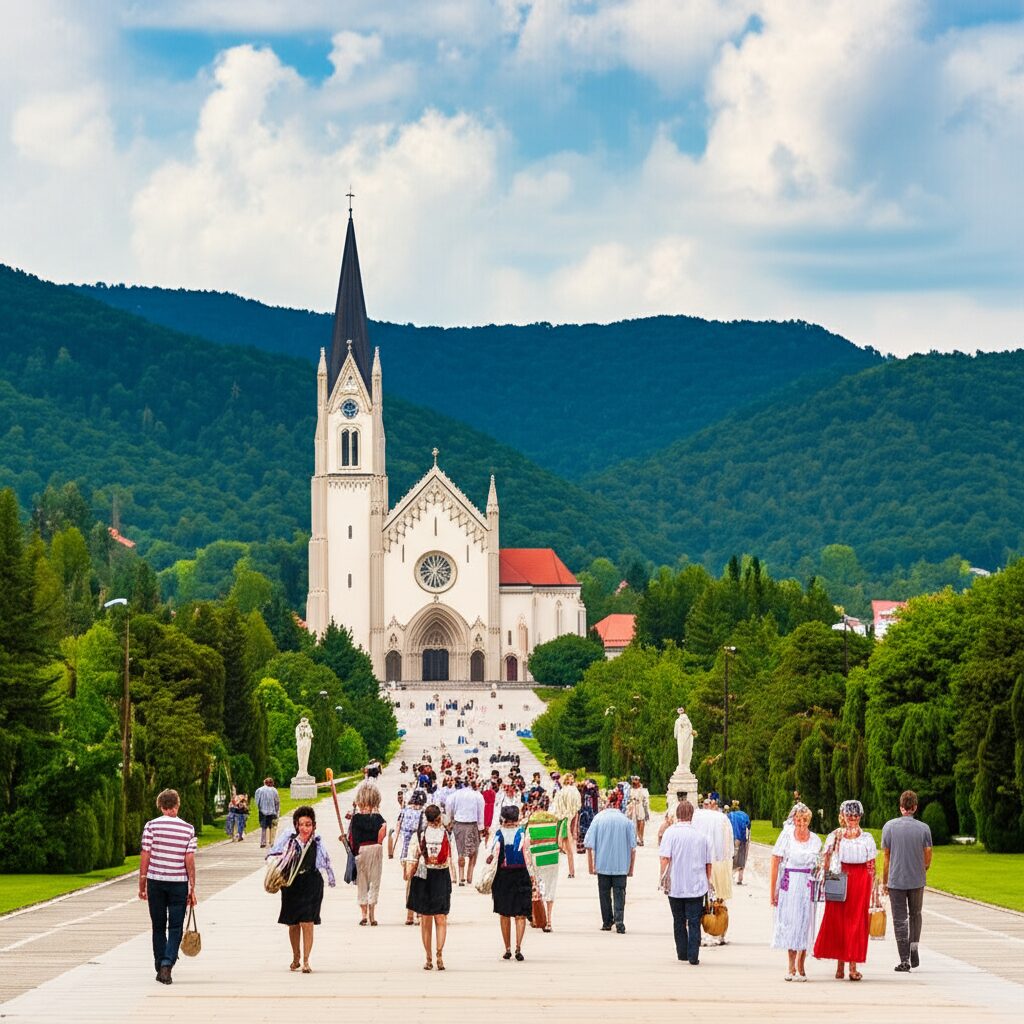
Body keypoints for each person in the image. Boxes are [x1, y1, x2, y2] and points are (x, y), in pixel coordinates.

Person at [813, 798, 877, 981]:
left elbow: (871, 864)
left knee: (856, 923)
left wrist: (873, 889)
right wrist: (824, 878)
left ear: (860, 816)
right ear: (843, 816)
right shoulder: (835, 835)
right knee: (838, 921)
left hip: (861, 881)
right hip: (839, 878)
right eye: (849, 815)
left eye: (856, 815)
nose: (853, 818)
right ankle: (840, 965)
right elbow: (825, 858)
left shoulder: (867, 838)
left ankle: (853, 966)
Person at [139, 789, 197, 985]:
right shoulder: (188, 829)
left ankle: (160, 963)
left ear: (160, 806)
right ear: (177, 805)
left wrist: (142, 881)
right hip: (178, 882)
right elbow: (189, 859)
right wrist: (192, 887)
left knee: (158, 925)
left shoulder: (151, 826)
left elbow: (145, 853)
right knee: (175, 926)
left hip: (155, 881)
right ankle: (167, 963)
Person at [267, 805, 336, 973]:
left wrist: (331, 878)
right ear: (296, 825)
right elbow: (272, 854)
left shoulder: (317, 841)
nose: (305, 828)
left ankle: (306, 960)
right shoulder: (289, 839)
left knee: (308, 922)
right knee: (293, 923)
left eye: (309, 824)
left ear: (314, 826)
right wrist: (276, 866)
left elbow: (325, 861)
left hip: (312, 883)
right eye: (302, 824)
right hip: (291, 884)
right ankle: (295, 956)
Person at [882, 789, 933, 972]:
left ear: (901, 807)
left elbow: (887, 856)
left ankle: (904, 959)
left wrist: (884, 880)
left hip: (896, 879)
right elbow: (928, 853)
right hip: (917, 878)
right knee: (916, 914)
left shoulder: (889, 827)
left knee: (899, 919)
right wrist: (924, 867)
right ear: (915, 807)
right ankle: (914, 946)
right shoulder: (924, 828)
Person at [769, 802, 821, 981]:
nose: (801, 824)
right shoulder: (786, 836)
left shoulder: (815, 839)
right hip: (789, 883)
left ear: (809, 821)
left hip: (807, 883)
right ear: (794, 820)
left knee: (805, 923)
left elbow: (818, 864)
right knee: (791, 922)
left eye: (805, 820)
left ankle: (802, 962)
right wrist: (773, 891)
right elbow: (776, 861)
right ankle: (790, 964)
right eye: (798, 820)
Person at [659, 799, 711, 965]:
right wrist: (708, 882)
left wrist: (662, 877)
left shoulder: (670, 833)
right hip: (696, 884)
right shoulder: (701, 836)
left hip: (676, 884)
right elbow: (708, 863)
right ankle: (693, 954)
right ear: (692, 815)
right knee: (694, 920)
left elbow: (665, 858)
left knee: (678, 919)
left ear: (677, 815)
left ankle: (682, 952)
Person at [404, 805, 457, 970]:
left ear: (426, 819)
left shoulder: (418, 835)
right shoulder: (447, 835)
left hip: (424, 877)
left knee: (425, 920)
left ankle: (428, 958)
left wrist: (408, 875)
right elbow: (451, 857)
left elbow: (412, 858)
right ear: (440, 818)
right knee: (441, 919)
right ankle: (439, 954)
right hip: (441, 876)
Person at [584, 787, 637, 934]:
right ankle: (619, 921)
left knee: (604, 893)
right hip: (621, 865)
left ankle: (607, 921)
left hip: (603, 864)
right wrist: (631, 868)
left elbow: (588, 844)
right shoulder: (626, 821)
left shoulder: (598, 819)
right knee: (620, 893)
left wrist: (591, 866)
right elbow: (633, 847)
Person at [487, 805, 534, 961]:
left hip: (502, 877)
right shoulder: (522, 834)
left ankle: (507, 948)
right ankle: (518, 947)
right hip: (521, 875)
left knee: (504, 913)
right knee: (520, 914)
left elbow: (491, 855)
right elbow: (528, 857)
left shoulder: (498, 834)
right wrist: (533, 877)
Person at [348, 781, 387, 926]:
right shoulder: (379, 818)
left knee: (362, 882)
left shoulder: (356, 818)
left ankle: (363, 913)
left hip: (361, 851)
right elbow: (382, 834)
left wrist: (353, 852)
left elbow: (353, 839)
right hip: (376, 849)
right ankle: (372, 913)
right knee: (375, 881)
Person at [525, 809, 561, 931]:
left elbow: (526, 844)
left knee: (537, 888)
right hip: (552, 858)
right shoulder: (554, 823)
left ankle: (537, 919)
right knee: (550, 887)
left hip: (537, 858)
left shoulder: (531, 824)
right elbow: (560, 842)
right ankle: (549, 921)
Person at [448, 776, 485, 885]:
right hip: (472, 824)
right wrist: (481, 827)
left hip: (458, 824)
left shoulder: (454, 795)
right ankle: (470, 876)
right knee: (473, 851)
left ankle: (461, 877)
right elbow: (480, 812)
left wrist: (451, 820)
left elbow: (449, 808)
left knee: (461, 851)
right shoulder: (477, 795)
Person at [550, 771, 581, 878]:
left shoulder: (561, 792)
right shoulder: (575, 792)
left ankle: (570, 871)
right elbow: (577, 808)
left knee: (566, 848)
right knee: (570, 849)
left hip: (563, 820)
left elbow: (555, 809)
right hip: (571, 818)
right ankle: (571, 871)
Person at [254, 777, 281, 849]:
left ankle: (263, 842)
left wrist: (259, 808)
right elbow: (277, 802)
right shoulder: (274, 790)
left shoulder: (259, 790)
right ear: (271, 783)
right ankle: (272, 842)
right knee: (272, 827)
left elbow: (256, 802)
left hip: (262, 812)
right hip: (272, 812)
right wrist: (277, 811)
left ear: (265, 783)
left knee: (263, 827)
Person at [730, 801, 751, 884]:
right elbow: (748, 826)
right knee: (742, 857)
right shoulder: (744, 815)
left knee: (732, 856)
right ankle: (740, 878)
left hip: (733, 837)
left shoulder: (730, 815)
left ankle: (730, 875)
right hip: (743, 838)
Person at [626, 775, 651, 846]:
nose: (634, 782)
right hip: (633, 806)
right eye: (633, 780)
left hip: (640, 806)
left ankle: (641, 839)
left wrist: (646, 811)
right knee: (633, 822)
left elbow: (646, 801)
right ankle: (634, 838)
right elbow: (628, 799)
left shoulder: (643, 790)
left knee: (641, 822)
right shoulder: (630, 790)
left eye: (636, 780)